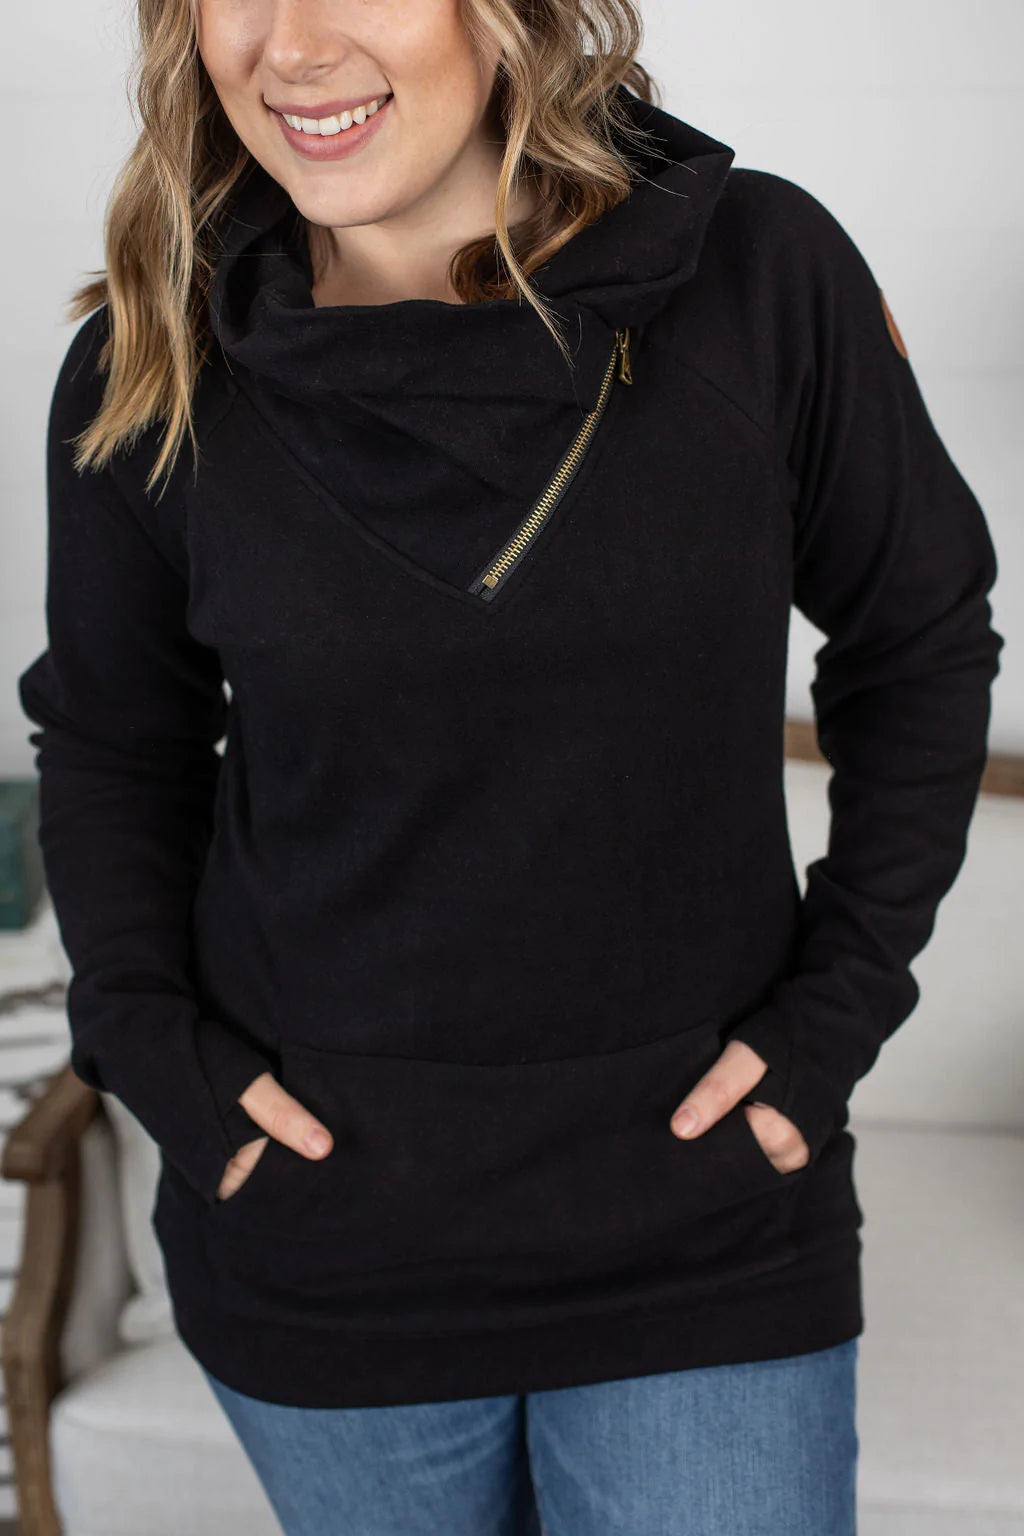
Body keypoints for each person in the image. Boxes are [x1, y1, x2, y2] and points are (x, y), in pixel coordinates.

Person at [17, 0, 1003, 1531]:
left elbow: (919, 636)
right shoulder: (147, 361)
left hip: (707, 1223)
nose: (291, 45)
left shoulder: (761, 277)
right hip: (323, 1238)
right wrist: (151, 1047)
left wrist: (838, 1014)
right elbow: (113, 743)